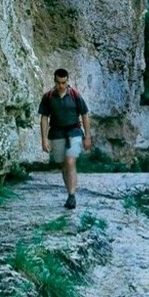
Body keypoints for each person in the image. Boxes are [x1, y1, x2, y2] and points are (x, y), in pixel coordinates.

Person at [38, 68, 92, 209]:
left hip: (74, 130)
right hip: (56, 132)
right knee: (63, 164)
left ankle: (72, 196)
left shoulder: (75, 95)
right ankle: (69, 193)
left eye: (63, 82)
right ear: (54, 81)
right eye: (58, 82)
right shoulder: (48, 97)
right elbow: (44, 118)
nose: (61, 86)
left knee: (70, 161)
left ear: (67, 81)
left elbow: (85, 114)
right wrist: (43, 139)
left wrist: (87, 137)